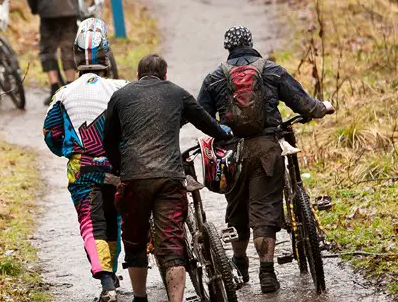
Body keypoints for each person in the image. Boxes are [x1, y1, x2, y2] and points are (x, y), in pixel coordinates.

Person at [197, 26, 334, 294]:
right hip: (266, 149)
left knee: (236, 209)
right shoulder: (272, 70)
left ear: (228, 48)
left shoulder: (214, 77)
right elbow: (304, 104)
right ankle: (267, 273)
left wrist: (222, 133)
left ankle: (238, 263)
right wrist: (323, 108)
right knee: (264, 211)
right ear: (251, 42)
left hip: (232, 153)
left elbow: (202, 116)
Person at [103, 54, 232, 302]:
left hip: (134, 178)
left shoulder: (120, 96)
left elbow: (108, 139)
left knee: (135, 240)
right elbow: (206, 122)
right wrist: (223, 134)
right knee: (172, 243)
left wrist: (121, 168)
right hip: (169, 178)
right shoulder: (177, 93)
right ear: (165, 75)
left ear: (137, 75)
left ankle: (140, 297)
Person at [42, 18, 127, 302]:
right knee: (114, 219)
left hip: (83, 170)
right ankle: (112, 273)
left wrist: (69, 152)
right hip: (117, 167)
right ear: (107, 55)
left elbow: (51, 134)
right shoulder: (121, 88)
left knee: (92, 222)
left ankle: (107, 282)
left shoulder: (63, 94)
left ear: (77, 55)